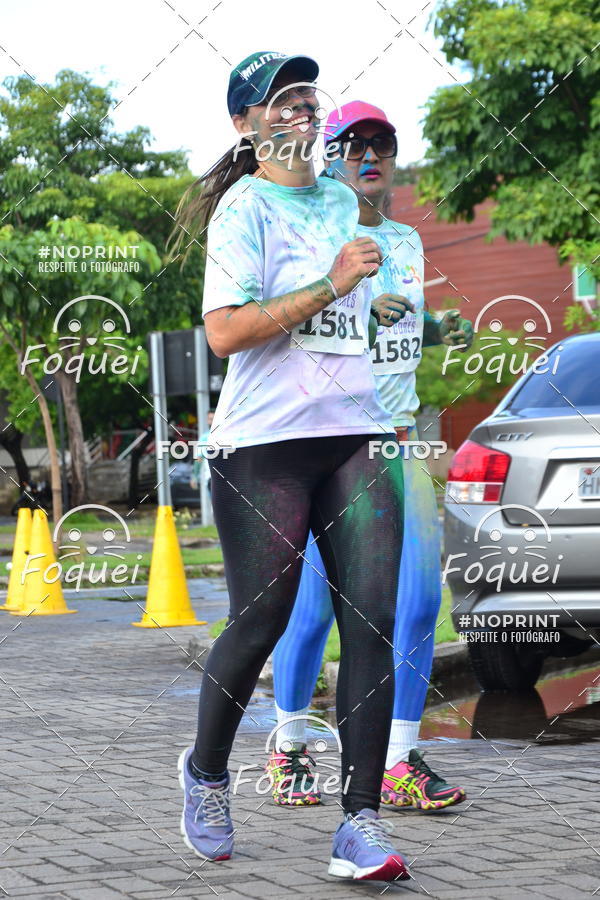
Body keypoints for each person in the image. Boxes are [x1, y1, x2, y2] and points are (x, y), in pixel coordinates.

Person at [170, 53, 412, 882]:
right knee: (260, 622)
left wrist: (367, 301)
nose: (303, 109)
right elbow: (228, 332)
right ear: (247, 124)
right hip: (264, 446)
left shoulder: (346, 199)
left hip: (358, 434)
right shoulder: (243, 210)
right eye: (283, 100)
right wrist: (330, 281)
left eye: (310, 96)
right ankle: (205, 773)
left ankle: (360, 826)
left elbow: (343, 309)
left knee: (372, 624)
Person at [269, 101, 474, 811]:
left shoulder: (409, 243)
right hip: (327, 440)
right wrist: (352, 304)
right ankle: (290, 745)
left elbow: (403, 324)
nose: (369, 156)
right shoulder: (304, 236)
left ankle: (398, 761)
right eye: (352, 144)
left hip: (398, 437)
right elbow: (278, 329)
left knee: (418, 602)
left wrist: (438, 327)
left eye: (381, 144)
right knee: (315, 612)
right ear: (328, 157)